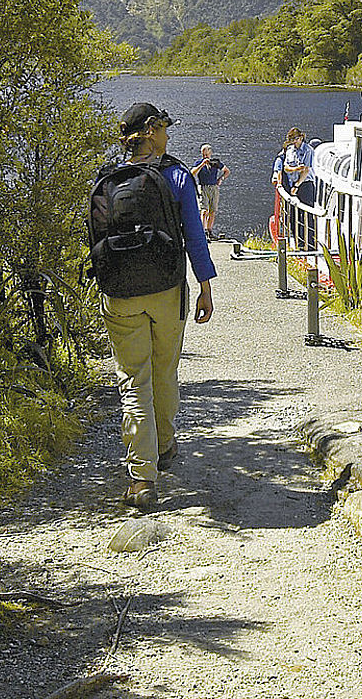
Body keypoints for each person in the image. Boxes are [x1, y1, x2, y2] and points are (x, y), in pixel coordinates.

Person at [90, 102, 216, 508]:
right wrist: (205, 287)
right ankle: (163, 446)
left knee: (133, 381)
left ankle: (142, 479)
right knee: (164, 370)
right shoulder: (177, 177)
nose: (167, 135)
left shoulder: (107, 178)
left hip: (120, 294)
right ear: (151, 132)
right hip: (166, 291)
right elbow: (194, 237)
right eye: (163, 128)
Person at [276, 126, 317, 249]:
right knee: (294, 215)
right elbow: (286, 168)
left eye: (295, 139)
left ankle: (310, 244)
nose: (294, 142)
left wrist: (297, 185)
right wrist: (296, 169)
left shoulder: (308, 150)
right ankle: (299, 242)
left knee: (307, 214)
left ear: (301, 138)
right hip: (293, 184)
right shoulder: (290, 150)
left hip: (305, 184)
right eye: (291, 140)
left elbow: (306, 170)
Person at [192, 143, 229, 237]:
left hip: (213, 187)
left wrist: (221, 179)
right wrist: (202, 164)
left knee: (212, 211)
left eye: (206, 154)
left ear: (210, 153)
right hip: (203, 187)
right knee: (204, 210)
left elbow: (227, 171)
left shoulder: (215, 163)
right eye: (203, 154)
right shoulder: (198, 163)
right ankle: (203, 231)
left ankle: (209, 231)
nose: (205, 156)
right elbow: (192, 173)